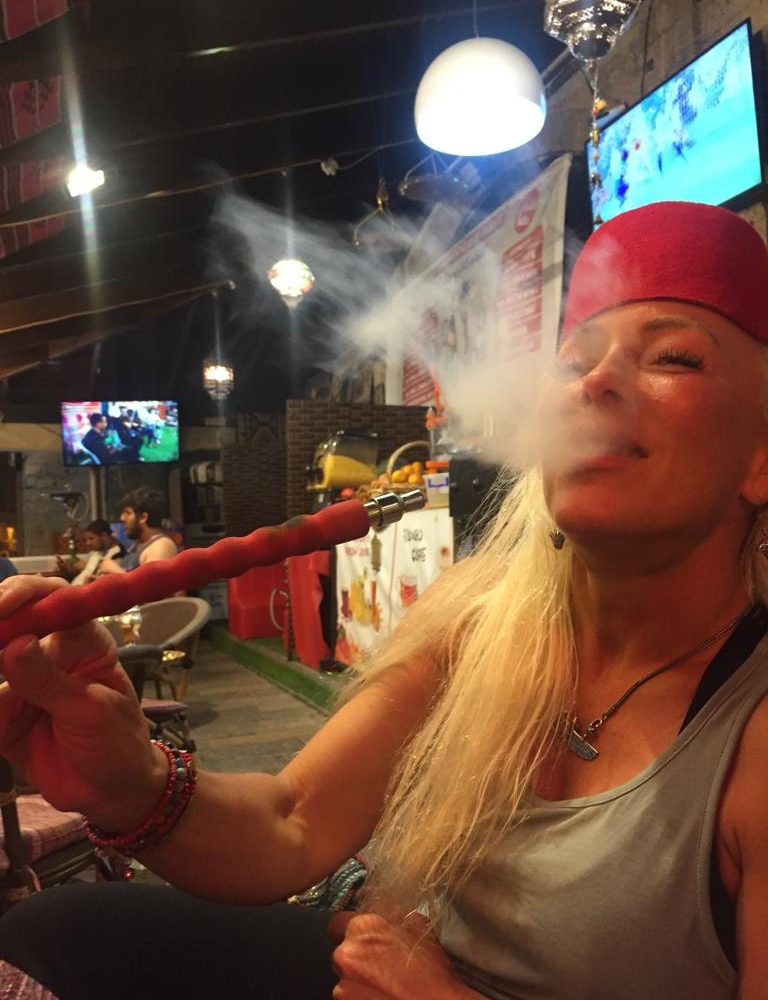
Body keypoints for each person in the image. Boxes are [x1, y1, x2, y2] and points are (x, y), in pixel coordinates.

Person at [0, 200, 767, 1000]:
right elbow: (292, 823)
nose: (597, 381)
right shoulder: (478, 620)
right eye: (574, 361)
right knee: (50, 930)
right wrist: (129, 780)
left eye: (675, 358)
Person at [98, 488, 178, 575]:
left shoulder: (161, 546)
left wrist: (114, 570)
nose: (122, 518)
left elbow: (152, 583)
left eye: (128, 513)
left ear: (143, 517)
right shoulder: (139, 544)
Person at [56, 520, 127, 586]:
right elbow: (86, 571)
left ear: (104, 536)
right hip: (74, 589)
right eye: (86, 539)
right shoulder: (97, 552)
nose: (88, 543)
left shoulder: (118, 555)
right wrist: (67, 568)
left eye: (91, 538)